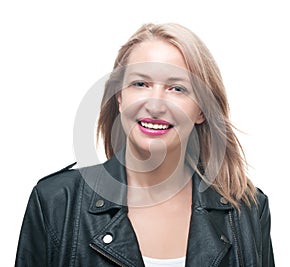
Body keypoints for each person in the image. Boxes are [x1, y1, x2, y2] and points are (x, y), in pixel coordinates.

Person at [15, 23, 275, 267]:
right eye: (140, 84)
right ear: (119, 97)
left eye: (177, 88)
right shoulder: (55, 201)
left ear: (202, 111)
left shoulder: (248, 210)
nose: (155, 104)